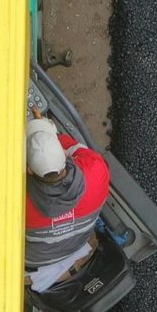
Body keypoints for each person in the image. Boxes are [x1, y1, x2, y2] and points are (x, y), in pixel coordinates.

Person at [25, 115, 111, 294]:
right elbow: (77, 148)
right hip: (76, 247)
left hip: (34, 262)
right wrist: (53, 135)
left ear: (29, 170)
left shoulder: (18, 201)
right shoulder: (96, 170)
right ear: (63, 155)